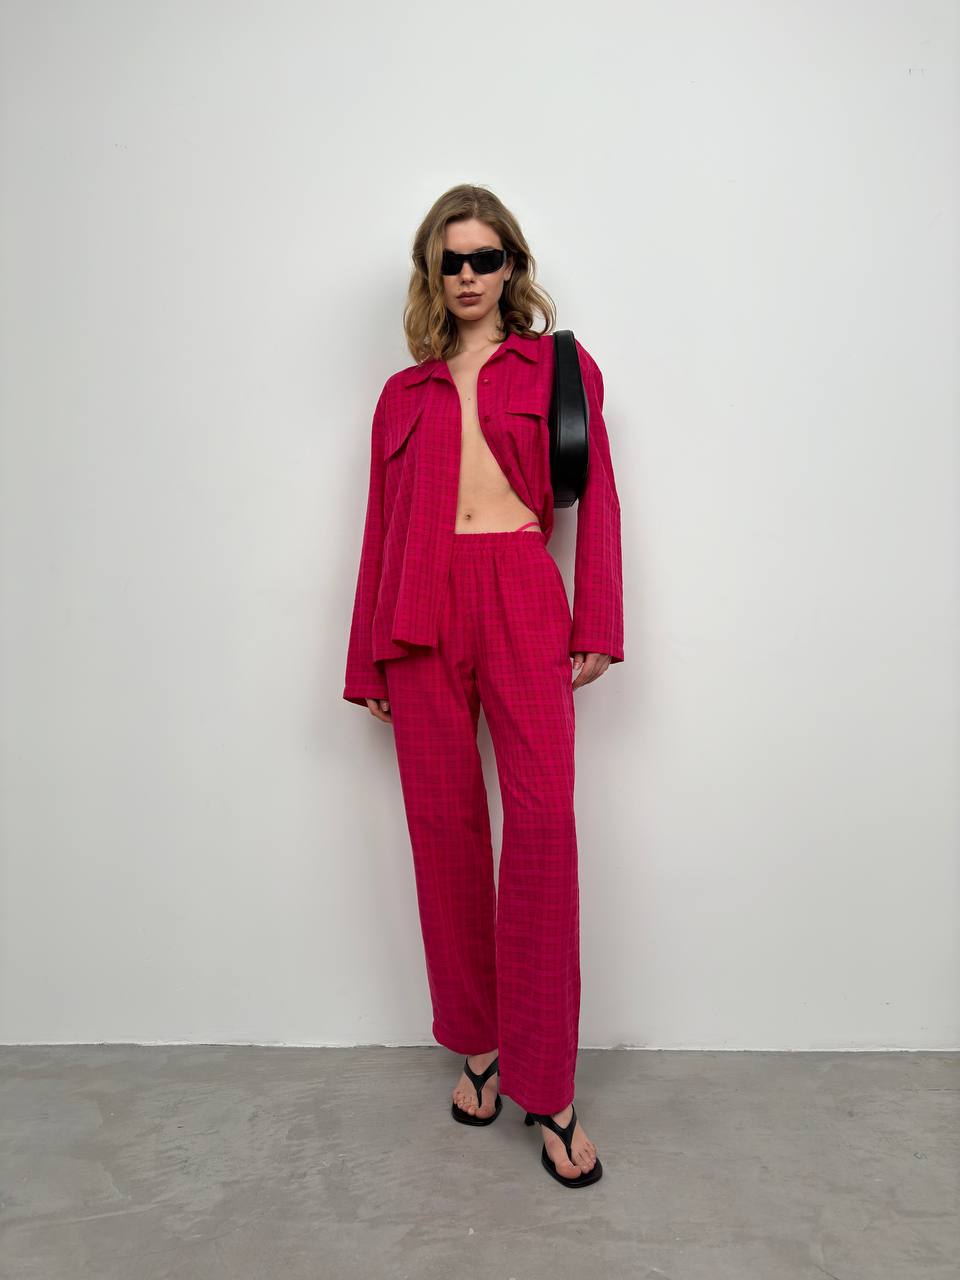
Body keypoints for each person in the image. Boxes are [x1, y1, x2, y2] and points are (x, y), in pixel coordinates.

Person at [342, 184, 623, 1187]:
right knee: (445, 832)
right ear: (433, 271)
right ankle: (480, 1047)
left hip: (520, 589)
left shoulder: (557, 367)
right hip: (419, 610)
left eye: (485, 258)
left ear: (512, 266)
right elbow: (380, 528)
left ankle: (550, 1087)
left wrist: (597, 622)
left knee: (542, 830)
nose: (468, 276)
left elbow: (600, 498)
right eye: (451, 260)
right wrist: (367, 657)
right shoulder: (402, 394)